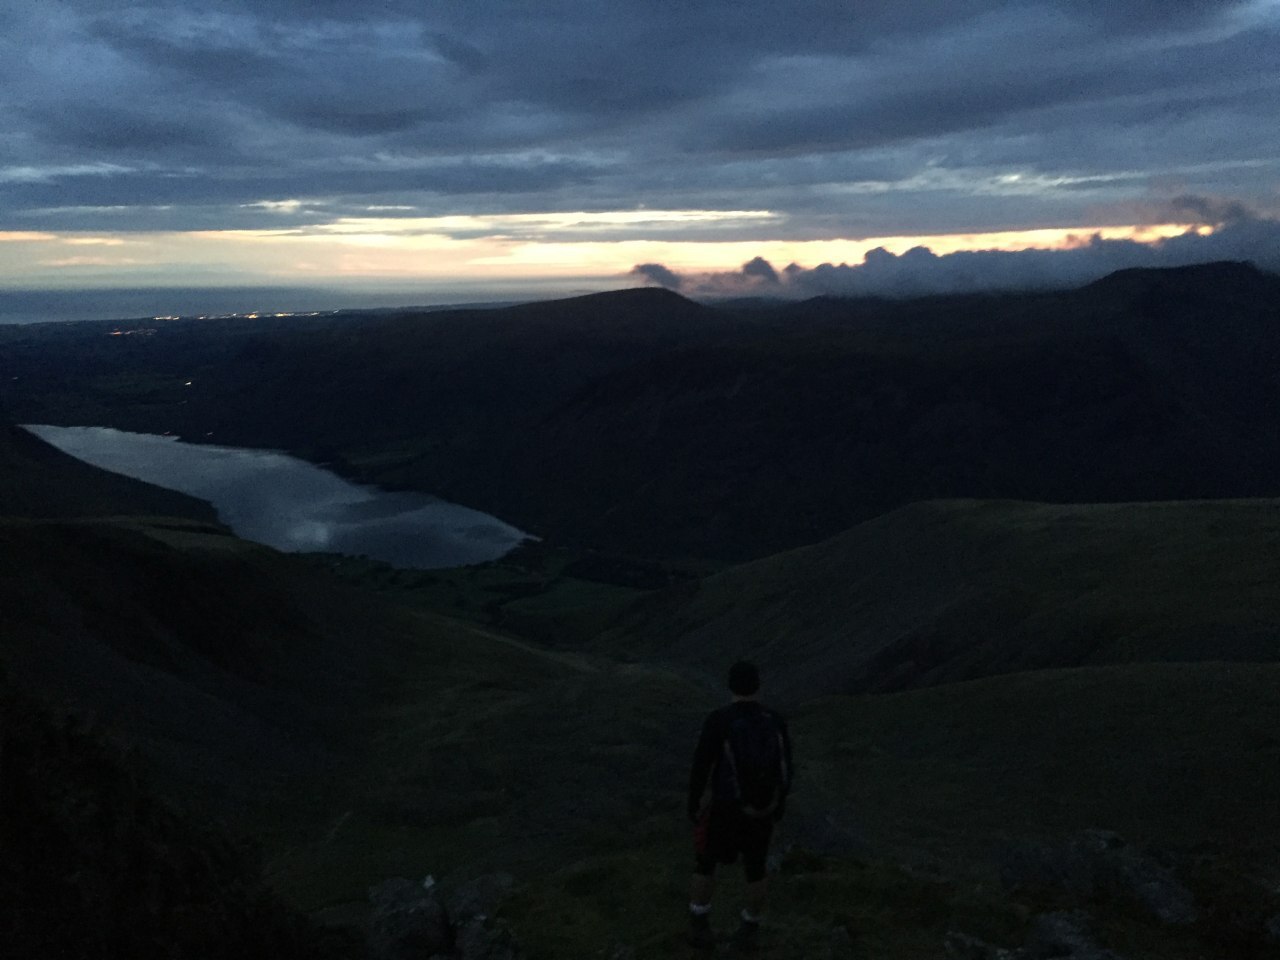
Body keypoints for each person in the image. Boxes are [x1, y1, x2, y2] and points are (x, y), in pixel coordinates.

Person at [686, 660, 793, 952]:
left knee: (706, 862)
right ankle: (749, 928)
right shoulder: (774, 720)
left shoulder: (719, 720)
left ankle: (699, 924)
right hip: (762, 809)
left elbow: (701, 764)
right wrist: (778, 804)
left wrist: (694, 803)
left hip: (725, 806)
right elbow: (787, 767)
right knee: (756, 868)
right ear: (758, 685)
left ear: (730, 685)